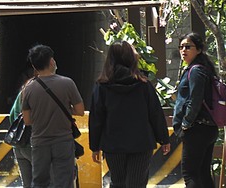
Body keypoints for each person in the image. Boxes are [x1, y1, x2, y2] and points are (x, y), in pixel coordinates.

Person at [88, 41, 171, 188]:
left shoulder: (102, 86)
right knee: (137, 183)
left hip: (113, 144)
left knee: (118, 182)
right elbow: (155, 113)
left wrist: (95, 146)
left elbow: (96, 118)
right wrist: (164, 139)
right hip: (141, 143)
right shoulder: (144, 85)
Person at [21, 44, 85, 188]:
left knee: (39, 182)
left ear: (34, 65)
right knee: (64, 181)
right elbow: (80, 110)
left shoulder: (28, 88)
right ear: (51, 61)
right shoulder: (67, 83)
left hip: (39, 142)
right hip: (63, 141)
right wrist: (67, 109)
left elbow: (27, 120)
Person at [172, 32, 219, 188]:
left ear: (199, 49)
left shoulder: (196, 71)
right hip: (207, 128)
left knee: (190, 173)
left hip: (197, 128)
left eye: (188, 46)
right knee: (202, 173)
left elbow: (195, 100)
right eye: (181, 47)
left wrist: (185, 123)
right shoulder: (201, 69)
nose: (183, 50)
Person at [9, 86, 33, 188]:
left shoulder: (22, 94)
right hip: (34, 146)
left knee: (27, 184)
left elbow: (11, 116)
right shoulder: (38, 94)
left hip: (19, 146)